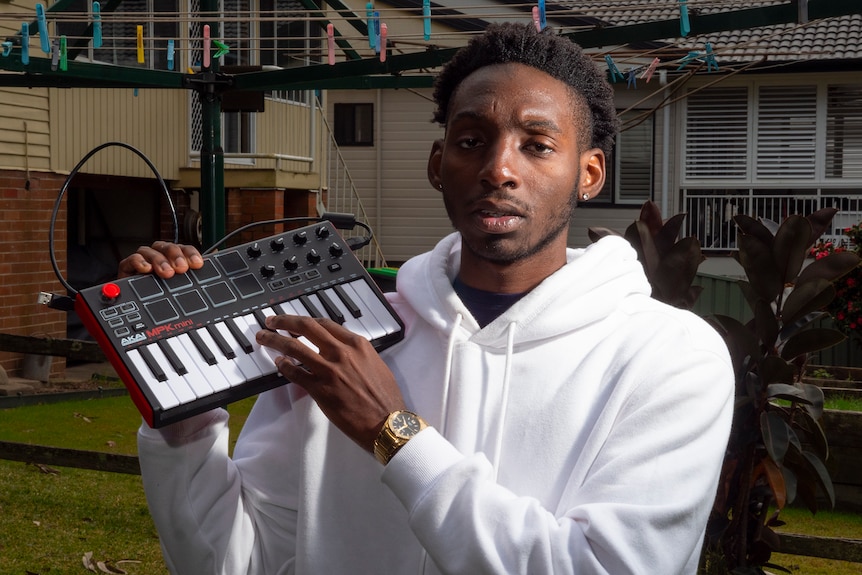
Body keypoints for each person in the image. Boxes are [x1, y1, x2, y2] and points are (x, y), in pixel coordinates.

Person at [119, 22, 734, 575]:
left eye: (538, 145)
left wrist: (394, 433)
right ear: (439, 165)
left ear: (590, 174)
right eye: (471, 141)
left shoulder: (670, 357)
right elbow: (242, 561)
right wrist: (184, 403)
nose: (500, 168)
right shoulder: (344, 333)